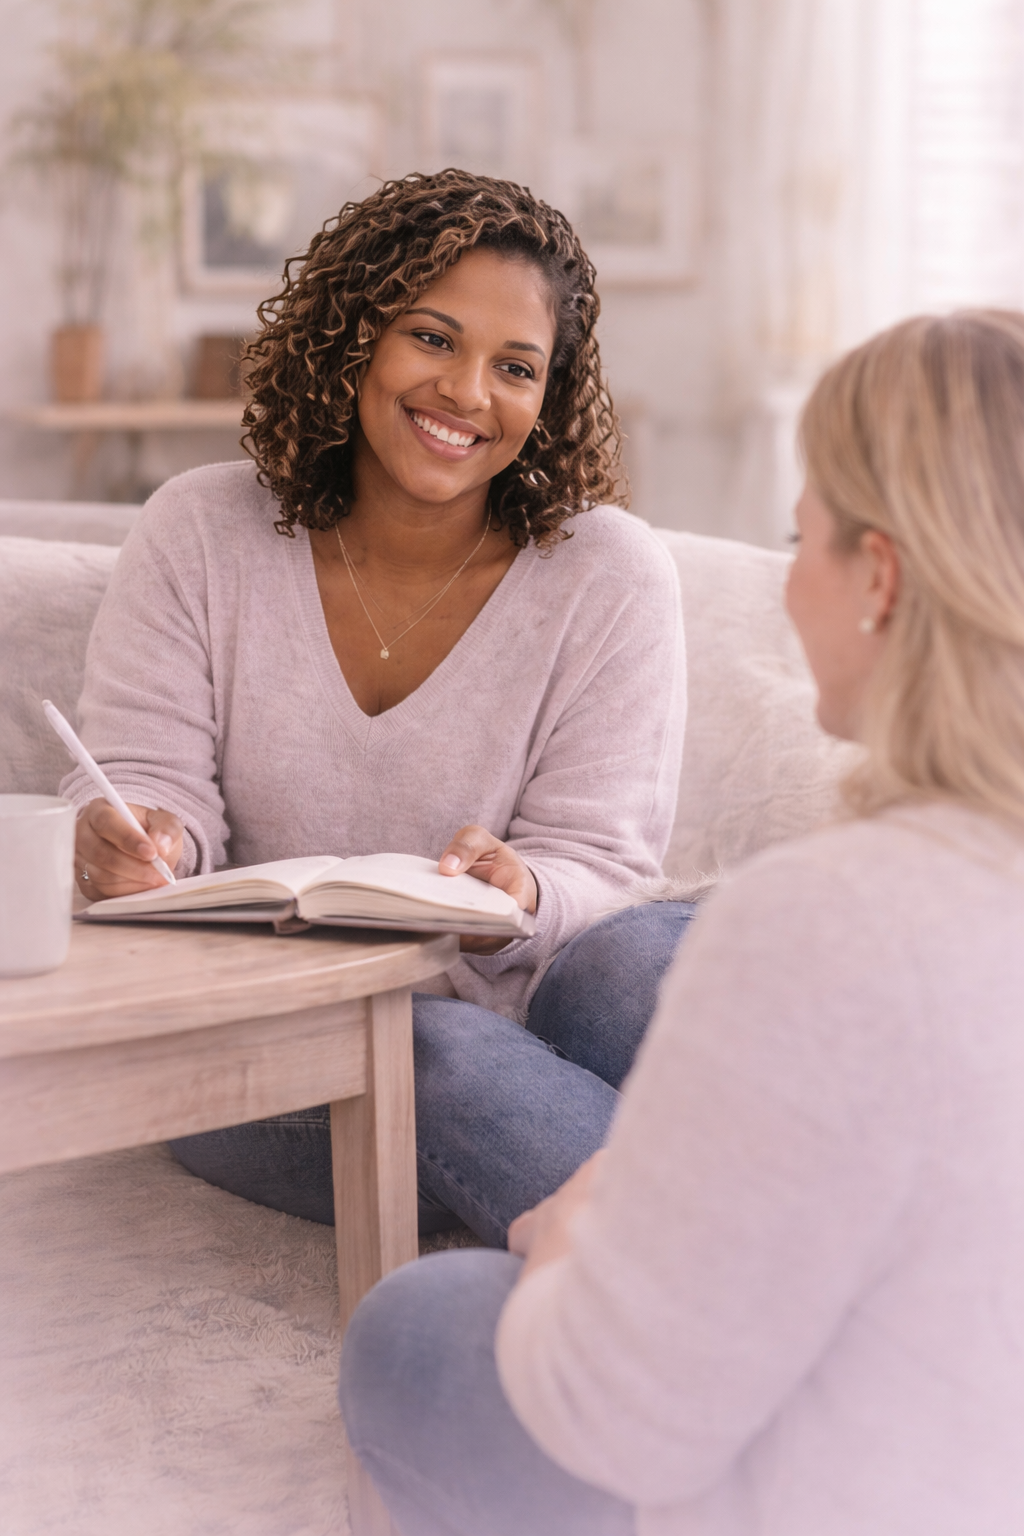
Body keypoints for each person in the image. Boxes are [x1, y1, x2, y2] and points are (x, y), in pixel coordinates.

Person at [339, 309, 1024, 1536]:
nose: (787, 585)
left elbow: (619, 1418)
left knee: (424, 1319)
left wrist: (570, 1243)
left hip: (847, 1478)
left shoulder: (827, 917)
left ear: (879, 579)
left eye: (795, 538)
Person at [60, 169, 691, 1240]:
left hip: (533, 1006)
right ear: (351, 335)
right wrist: (140, 840)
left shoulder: (607, 574)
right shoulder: (198, 532)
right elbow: (145, 781)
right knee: (423, 1047)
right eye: (433, 339)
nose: (467, 394)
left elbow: (605, 868)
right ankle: (726, 1297)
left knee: (645, 961)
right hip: (275, 1053)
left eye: (515, 367)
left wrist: (523, 889)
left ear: (549, 398)